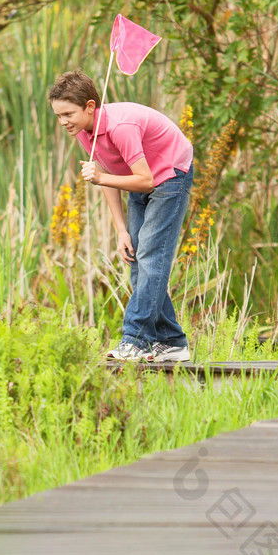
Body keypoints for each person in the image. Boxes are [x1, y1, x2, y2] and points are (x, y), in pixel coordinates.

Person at [48, 69, 194, 362]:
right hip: (138, 177)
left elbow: (145, 180)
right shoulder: (84, 133)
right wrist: (120, 230)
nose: (63, 122)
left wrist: (101, 178)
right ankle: (172, 342)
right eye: (58, 116)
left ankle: (136, 340)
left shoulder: (120, 127)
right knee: (136, 256)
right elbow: (108, 178)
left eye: (68, 114)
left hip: (171, 173)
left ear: (90, 107)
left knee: (152, 256)